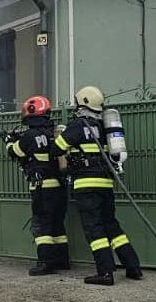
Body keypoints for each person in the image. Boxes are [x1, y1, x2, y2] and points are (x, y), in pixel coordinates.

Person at [55, 85, 142, 285]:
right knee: (111, 225)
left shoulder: (77, 125)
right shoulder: (105, 125)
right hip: (105, 183)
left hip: (86, 184)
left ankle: (105, 273)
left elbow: (56, 149)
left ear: (83, 103)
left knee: (94, 229)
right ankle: (133, 267)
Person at [3, 95, 69, 275]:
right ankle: (62, 261)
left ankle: (45, 262)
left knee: (41, 225)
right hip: (60, 187)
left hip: (42, 189)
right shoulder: (53, 133)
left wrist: (8, 139)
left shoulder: (30, 135)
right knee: (57, 226)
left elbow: (15, 152)